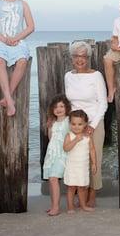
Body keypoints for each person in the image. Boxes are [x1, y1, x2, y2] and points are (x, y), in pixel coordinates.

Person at [64, 41, 107, 208]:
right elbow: (68, 103)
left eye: (83, 56)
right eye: (76, 56)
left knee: (93, 158)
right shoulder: (68, 76)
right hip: (75, 125)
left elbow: (103, 103)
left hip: (93, 123)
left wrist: (92, 125)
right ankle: (77, 191)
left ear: (88, 58)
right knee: (76, 160)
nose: (80, 59)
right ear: (72, 58)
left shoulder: (96, 76)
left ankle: (92, 193)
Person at [42, 95, 72, 216]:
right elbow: (51, 139)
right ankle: (52, 205)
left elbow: (72, 135)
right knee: (51, 179)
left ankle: (56, 207)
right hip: (51, 154)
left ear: (66, 108)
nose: (58, 109)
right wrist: (49, 126)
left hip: (62, 154)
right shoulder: (52, 122)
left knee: (54, 178)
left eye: (61, 106)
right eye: (55, 107)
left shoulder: (68, 121)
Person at [63, 109, 97, 214]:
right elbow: (66, 148)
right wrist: (75, 140)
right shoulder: (69, 136)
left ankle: (83, 205)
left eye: (79, 124)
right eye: (73, 124)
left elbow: (92, 149)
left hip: (83, 167)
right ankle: (70, 207)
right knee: (71, 187)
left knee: (82, 187)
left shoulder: (88, 137)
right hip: (72, 167)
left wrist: (94, 163)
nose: (76, 126)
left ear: (85, 124)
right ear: (69, 124)